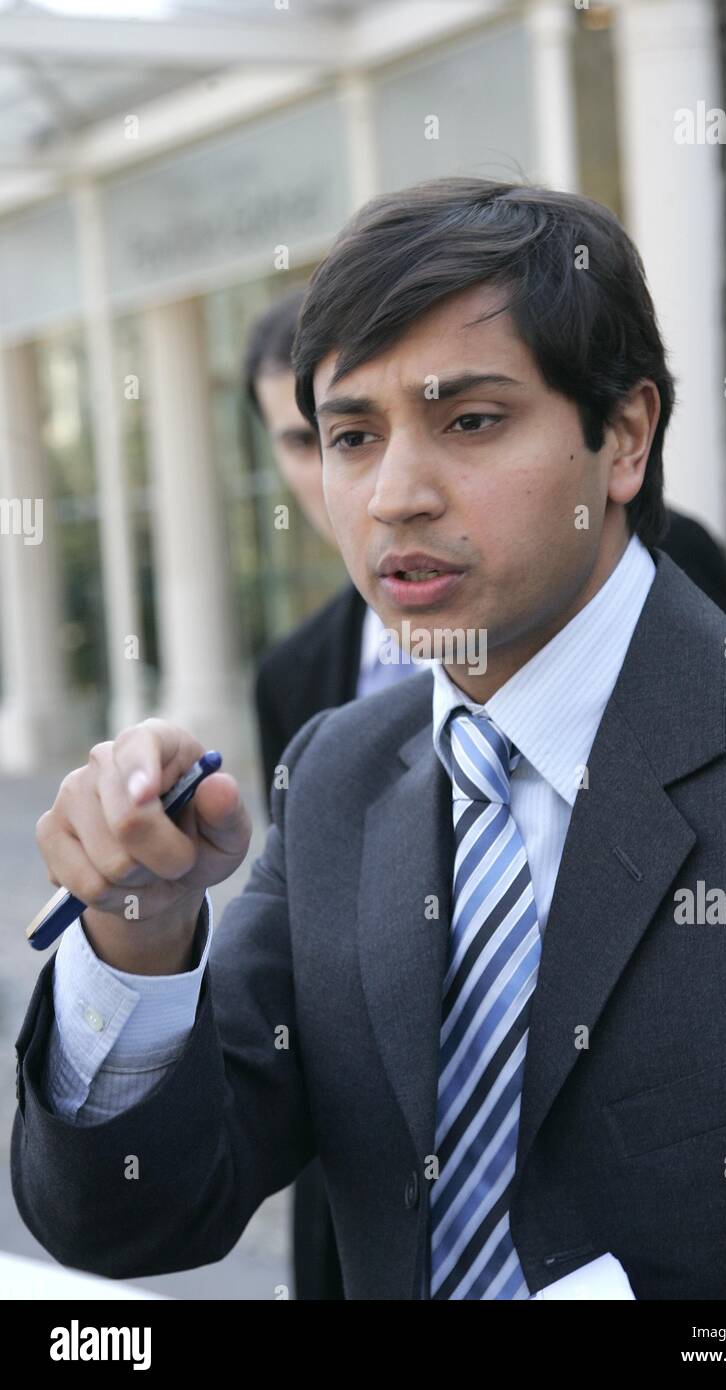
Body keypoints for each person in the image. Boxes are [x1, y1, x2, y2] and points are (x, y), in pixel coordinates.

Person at [13, 178, 726, 1300]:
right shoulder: (336, 775)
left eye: (469, 420)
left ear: (622, 438)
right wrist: (139, 934)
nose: (393, 495)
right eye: (351, 436)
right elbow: (135, 1215)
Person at [244, 293, 428, 1300]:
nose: (348, 481)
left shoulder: (663, 560)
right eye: (318, 439)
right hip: (360, 1182)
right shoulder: (293, 676)